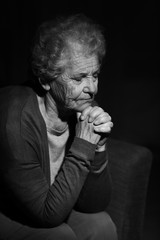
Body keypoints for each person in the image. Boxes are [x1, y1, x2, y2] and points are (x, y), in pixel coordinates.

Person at [0, 13, 117, 240]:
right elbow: (47, 216)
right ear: (45, 79)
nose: (91, 88)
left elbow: (95, 205)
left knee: (102, 225)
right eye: (79, 78)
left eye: (95, 75)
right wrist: (83, 145)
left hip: (52, 202)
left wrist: (99, 147)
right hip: (7, 208)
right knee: (59, 236)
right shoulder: (13, 121)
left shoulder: (80, 106)